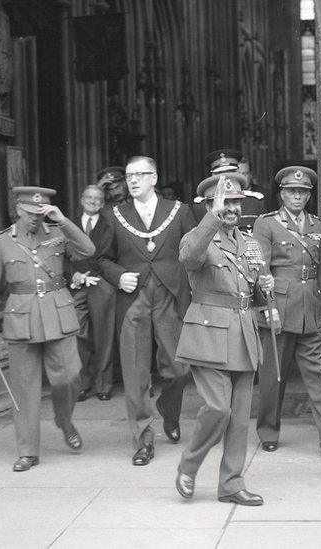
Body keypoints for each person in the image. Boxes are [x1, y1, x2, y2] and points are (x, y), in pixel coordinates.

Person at [174, 172, 275, 506]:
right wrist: (212, 218)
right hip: (208, 336)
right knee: (218, 408)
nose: (232, 208)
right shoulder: (197, 237)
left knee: (239, 417)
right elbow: (189, 258)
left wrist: (264, 289)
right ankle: (189, 466)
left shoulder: (249, 243)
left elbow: (250, 288)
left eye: (235, 202)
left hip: (244, 335)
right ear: (208, 204)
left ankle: (231, 484)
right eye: (225, 202)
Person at [0, 186, 95, 472]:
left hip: (58, 314)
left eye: (39, 213)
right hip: (22, 319)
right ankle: (28, 451)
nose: (34, 218)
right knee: (25, 389)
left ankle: (63, 419)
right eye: (30, 213)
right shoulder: (2, 242)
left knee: (69, 377)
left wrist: (63, 220)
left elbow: (88, 250)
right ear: (18, 208)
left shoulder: (57, 232)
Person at [96, 155, 197, 465]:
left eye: (141, 174)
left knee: (178, 368)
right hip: (133, 301)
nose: (134, 180)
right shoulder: (113, 215)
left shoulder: (179, 212)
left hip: (170, 296)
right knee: (136, 373)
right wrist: (117, 275)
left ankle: (169, 409)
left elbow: (195, 253)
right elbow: (101, 258)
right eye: (129, 176)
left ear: (155, 178)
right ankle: (143, 439)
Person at [253, 166, 321, 456]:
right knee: (273, 376)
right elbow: (259, 269)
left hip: (310, 310)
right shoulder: (266, 225)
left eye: (303, 192)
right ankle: (268, 431)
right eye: (292, 191)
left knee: (318, 375)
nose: (298, 196)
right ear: (282, 193)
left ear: (309, 195)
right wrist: (266, 307)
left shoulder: (317, 225)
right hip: (279, 308)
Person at [71, 184, 116, 402]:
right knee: (79, 336)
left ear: (103, 203)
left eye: (98, 198)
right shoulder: (68, 225)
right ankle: (82, 384)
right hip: (77, 285)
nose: (93, 201)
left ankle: (104, 385)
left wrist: (94, 275)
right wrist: (76, 275)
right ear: (81, 200)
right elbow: (61, 254)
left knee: (103, 336)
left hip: (101, 283)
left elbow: (110, 255)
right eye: (89, 197)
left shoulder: (110, 226)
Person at [193, 149, 266, 234]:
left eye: (232, 173)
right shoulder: (201, 205)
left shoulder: (255, 201)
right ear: (212, 176)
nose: (227, 177)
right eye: (219, 174)